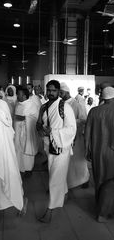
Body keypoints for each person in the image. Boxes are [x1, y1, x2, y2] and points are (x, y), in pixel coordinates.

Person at [36, 80, 76, 223]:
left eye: (53, 90)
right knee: (56, 175)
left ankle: (50, 210)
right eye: (48, 90)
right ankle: (64, 193)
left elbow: (72, 129)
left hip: (61, 147)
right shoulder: (44, 107)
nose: (50, 93)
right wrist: (41, 130)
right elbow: (39, 124)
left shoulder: (65, 107)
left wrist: (52, 131)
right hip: (49, 148)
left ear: (59, 92)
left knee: (54, 180)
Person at [85, 86, 114, 222]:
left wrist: (87, 150)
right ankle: (104, 212)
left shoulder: (94, 111)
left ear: (102, 97)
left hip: (97, 151)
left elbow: (87, 134)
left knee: (99, 180)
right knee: (111, 183)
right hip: (111, 153)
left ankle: (98, 205)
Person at [60, 82, 90, 190]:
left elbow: (83, 119)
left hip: (76, 136)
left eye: (61, 92)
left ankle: (85, 179)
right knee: (68, 162)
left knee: (79, 161)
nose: (60, 94)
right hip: (64, 137)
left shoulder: (76, 104)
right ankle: (70, 182)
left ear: (67, 92)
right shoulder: (59, 103)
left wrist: (71, 122)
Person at [14, 87, 39, 175]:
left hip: (27, 132)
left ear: (24, 96)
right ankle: (20, 167)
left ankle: (29, 169)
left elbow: (34, 117)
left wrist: (23, 118)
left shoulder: (31, 104)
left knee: (27, 150)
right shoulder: (18, 104)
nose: (17, 96)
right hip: (18, 131)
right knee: (19, 149)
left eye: (19, 94)